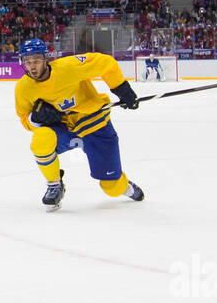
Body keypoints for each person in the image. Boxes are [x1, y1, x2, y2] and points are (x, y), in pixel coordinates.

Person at [14, 38, 144, 211]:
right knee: (41, 139)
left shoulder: (69, 67)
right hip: (64, 126)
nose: (32, 66)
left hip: (93, 122)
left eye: (36, 60)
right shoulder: (23, 88)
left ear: (46, 59)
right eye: (27, 61)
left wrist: (122, 89)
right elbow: (24, 118)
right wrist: (36, 119)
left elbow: (106, 63)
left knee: (111, 188)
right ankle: (54, 185)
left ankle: (125, 186)